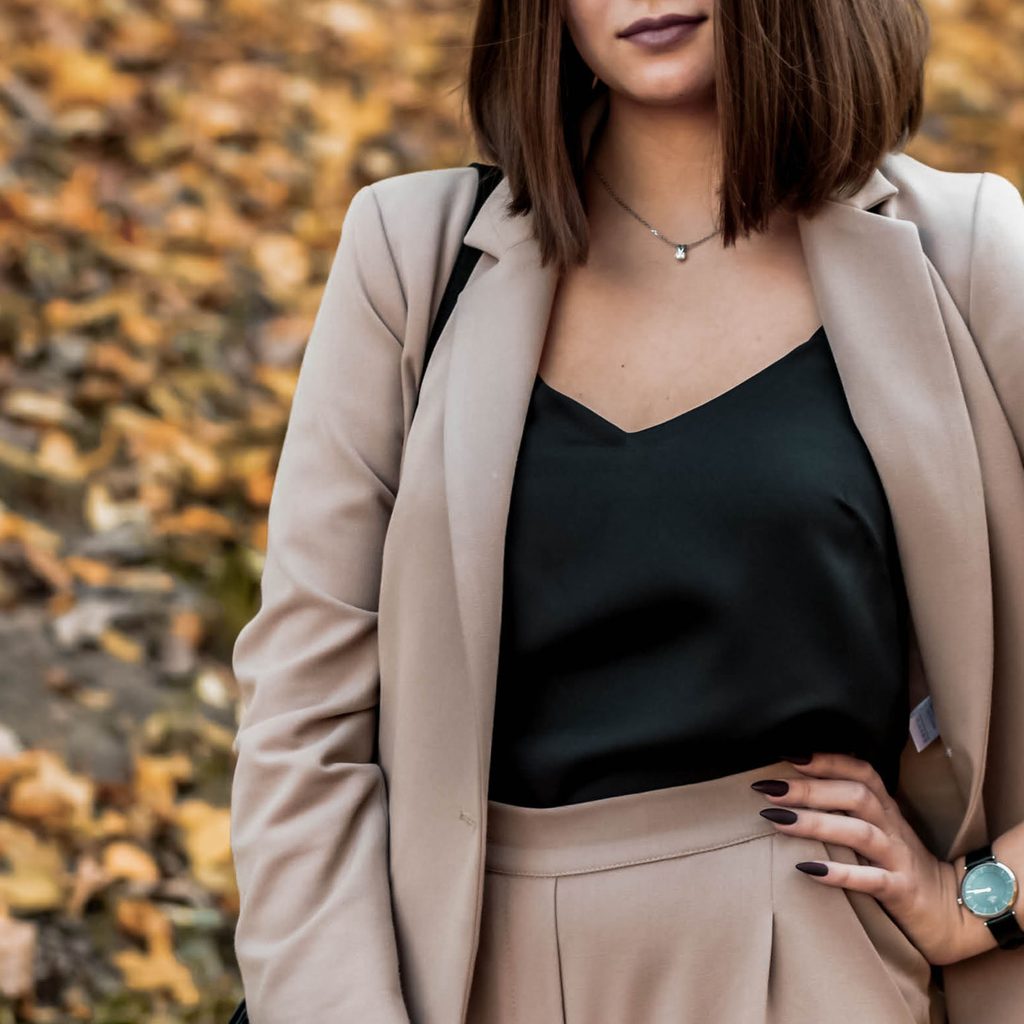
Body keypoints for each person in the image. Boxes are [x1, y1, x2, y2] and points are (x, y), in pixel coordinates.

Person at [228, 2, 1024, 1022]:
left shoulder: (963, 254)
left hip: (811, 968)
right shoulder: (413, 257)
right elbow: (303, 721)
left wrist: (979, 901)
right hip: (453, 975)